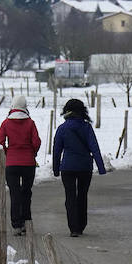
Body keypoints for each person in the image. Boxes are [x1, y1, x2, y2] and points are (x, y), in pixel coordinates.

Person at [52, 97, 107, 237]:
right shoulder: (86, 127)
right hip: (85, 167)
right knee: (82, 196)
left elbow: (57, 150)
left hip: (67, 168)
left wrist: (56, 168)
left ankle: (73, 228)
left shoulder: (62, 128)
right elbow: (94, 147)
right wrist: (101, 167)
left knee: (70, 197)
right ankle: (81, 225)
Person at [0, 95, 41, 236]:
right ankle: (27, 222)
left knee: (14, 193)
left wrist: (8, 153)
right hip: (28, 163)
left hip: (12, 163)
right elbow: (36, 142)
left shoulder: (5, 123)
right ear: (25, 106)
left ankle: (16, 224)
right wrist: (32, 153)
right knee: (27, 192)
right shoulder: (30, 123)